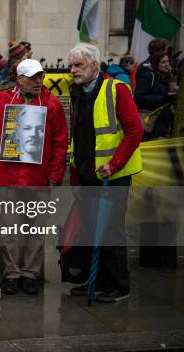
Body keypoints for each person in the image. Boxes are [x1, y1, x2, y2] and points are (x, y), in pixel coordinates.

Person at [67, 43, 143, 303]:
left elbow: (135, 131)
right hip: (87, 174)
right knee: (90, 229)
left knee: (111, 230)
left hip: (112, 175)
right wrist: (75, 177)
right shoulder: (76, 91)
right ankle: (98, 279)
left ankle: (119, 286)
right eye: (70, 65)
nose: (72, 70)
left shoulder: (116, 89)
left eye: (77, 65)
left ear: (93, 65)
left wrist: (115, 163)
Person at [0, 58, 67, 295]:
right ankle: (12, 273)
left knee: (36, 228)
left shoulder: (52, 104)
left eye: (40, 76)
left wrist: (55, 173)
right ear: (19, 78)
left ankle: (30, 273)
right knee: (8, 228)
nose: (38, 81)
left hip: (39, 178)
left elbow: (61, 141)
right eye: (32, 77)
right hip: (8, 176)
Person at [135, 52, 177, 139]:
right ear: (156, 64)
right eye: (163, 62)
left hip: (163, 120)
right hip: (149, 121)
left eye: (168, 62)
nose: (167, 64)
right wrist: (163, 99)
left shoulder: (167, 77)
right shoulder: (148, 77)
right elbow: (138, 98)